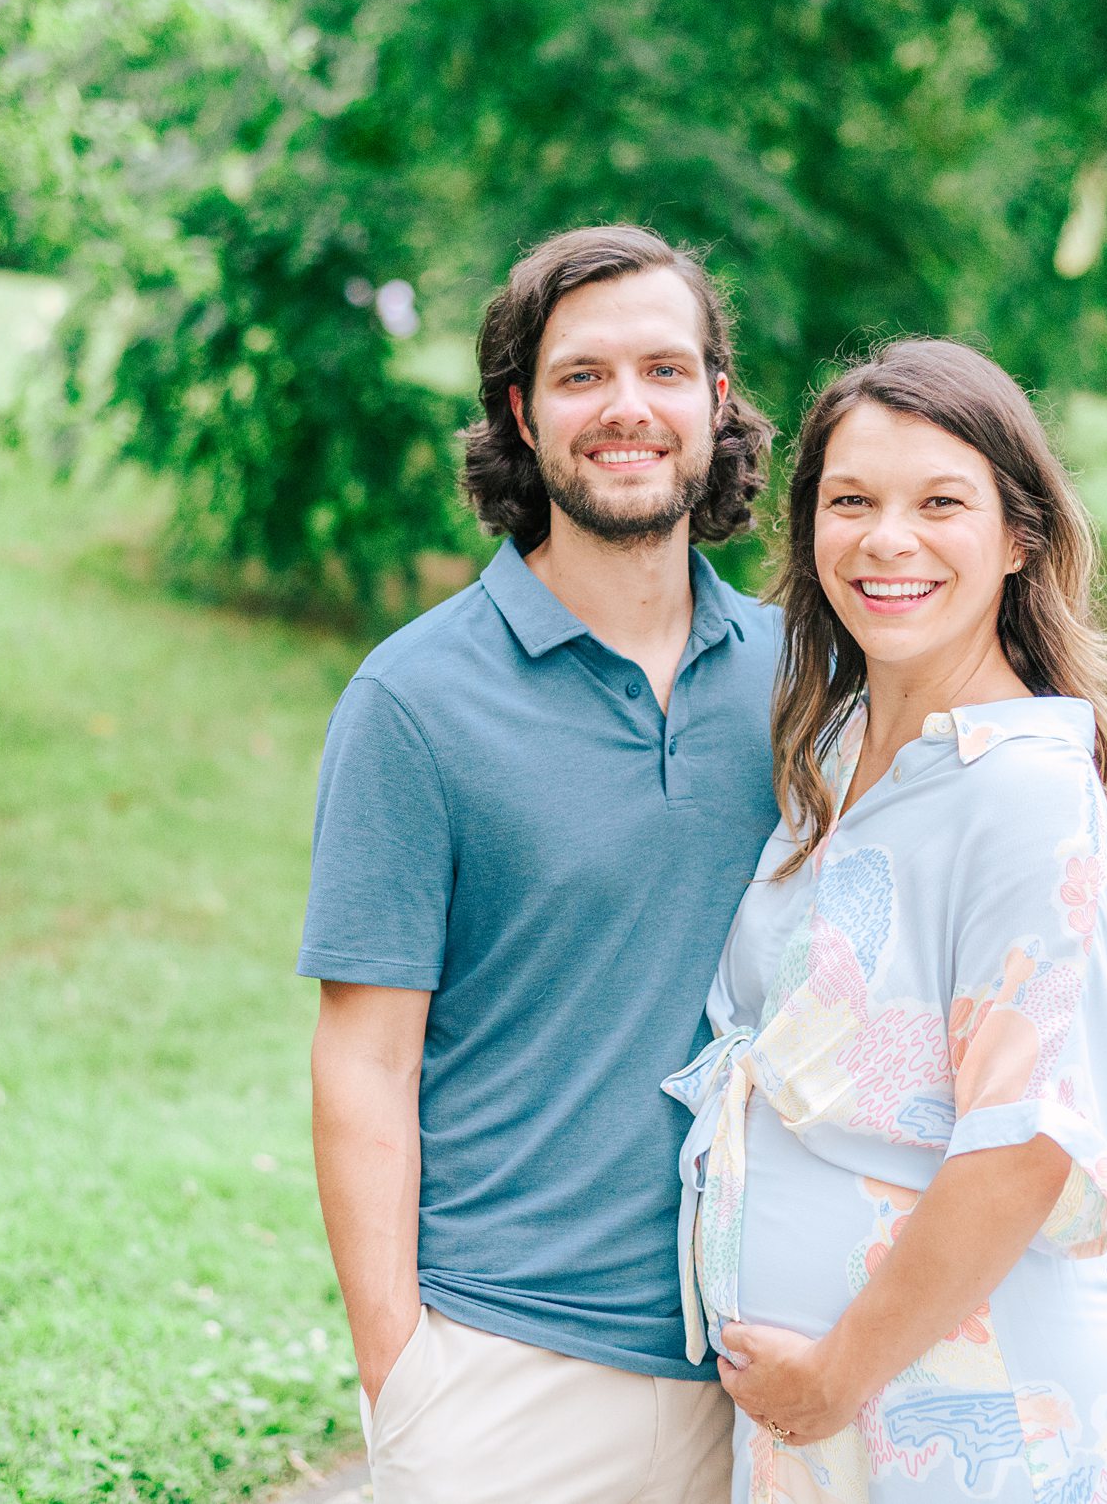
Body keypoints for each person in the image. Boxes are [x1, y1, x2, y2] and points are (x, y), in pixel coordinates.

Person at [301, 224, 781, 1503]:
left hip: (764, 1364)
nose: (629, 407)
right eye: (583, 376)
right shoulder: (413, 698)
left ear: (716, 399)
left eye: (666, 371)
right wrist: (403, 1376)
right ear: (521, 412)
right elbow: (365, 1056)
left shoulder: (808, 683)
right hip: (505, 1367)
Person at [663, 340, 1107, 1502]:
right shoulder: (838, 747)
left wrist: (838, 1374)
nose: (887, 539)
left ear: (1018, 537)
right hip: (825, 1427)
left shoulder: (1025, 788)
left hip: (970, 1416)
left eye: (940, 501)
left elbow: (1023, 1144)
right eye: (851, 501)